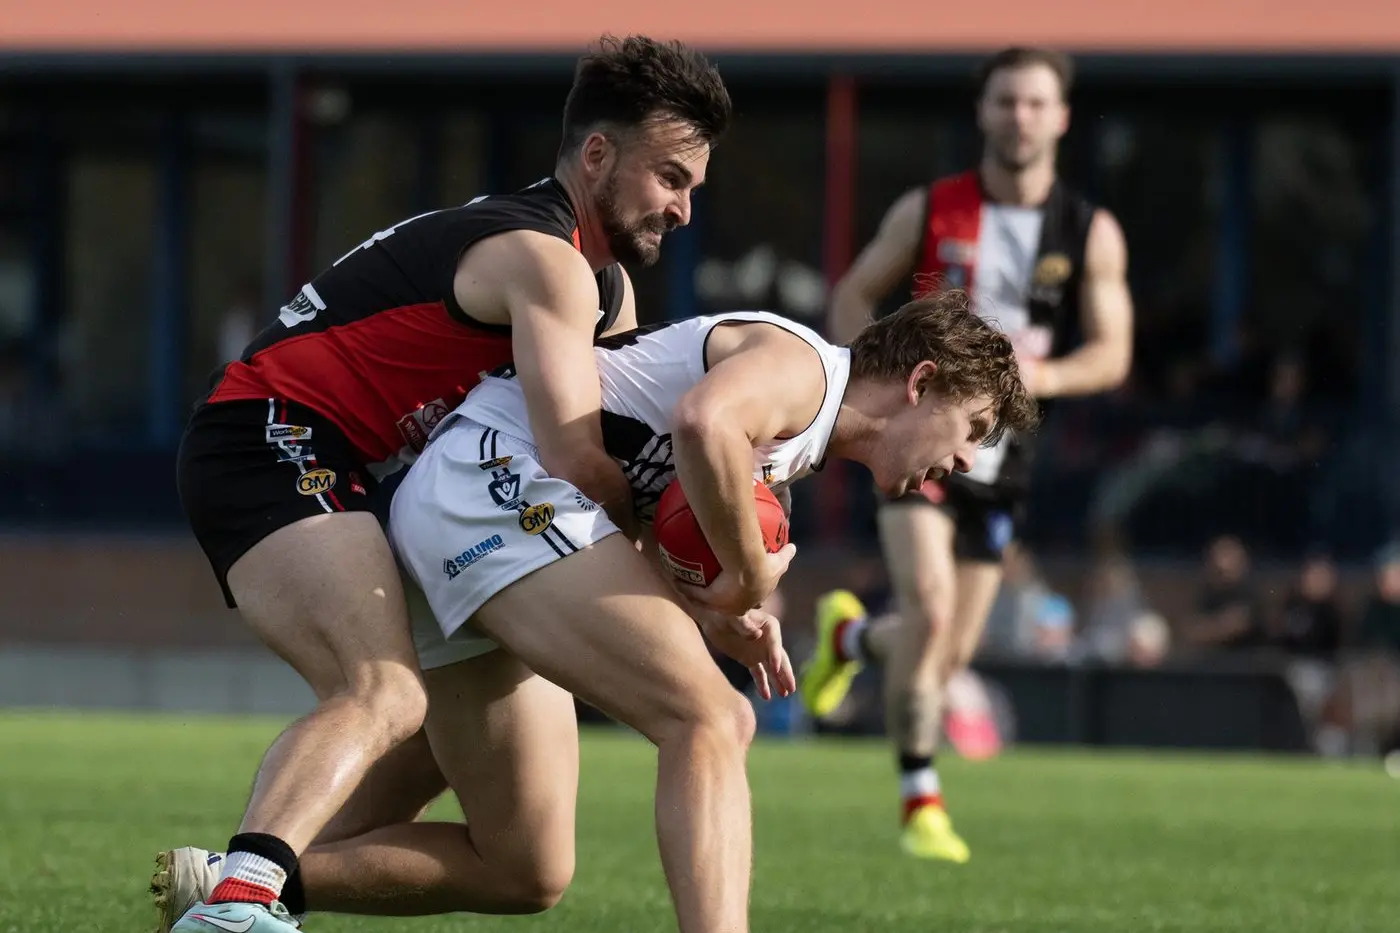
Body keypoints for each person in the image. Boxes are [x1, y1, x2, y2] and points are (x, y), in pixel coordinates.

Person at [154, 293, 1038, 933]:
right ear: (921, 381)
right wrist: (748, 574)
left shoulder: (790, 449)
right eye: (969, 432)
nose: (959, 467)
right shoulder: (807, 368)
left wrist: (712, 609)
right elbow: (702, 422)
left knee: (526, 866)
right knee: (711, 717)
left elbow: (648, 503)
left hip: (496, 510)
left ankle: (245, 883)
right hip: (495, 489)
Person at [159, 34, 731, 933]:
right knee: (380, 692)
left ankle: (241, 879)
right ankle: (236, 906)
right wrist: (702, 573)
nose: (685, 209)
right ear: (596, 154)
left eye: (694, 185)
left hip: (415, 498)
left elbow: (619, 466)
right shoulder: (543, 260)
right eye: (670, 177)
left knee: (527, 865)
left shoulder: (604, 285)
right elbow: (582, 462)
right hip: (269, 435)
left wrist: (696, 571)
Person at [799, 45, 1133, 863]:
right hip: (917, 440)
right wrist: (867, 393)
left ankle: (850, 643)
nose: (1019, 116)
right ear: (982, 113)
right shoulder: (931, 208)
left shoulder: (1088, 231)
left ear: (1060, 119)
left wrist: (1036, 373)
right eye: (1005, 101)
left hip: (1005, 459)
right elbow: (850, 293)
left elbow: (1113, 353)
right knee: (934, 612)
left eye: (1035, 103)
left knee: (941, 648)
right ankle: (922, 800)